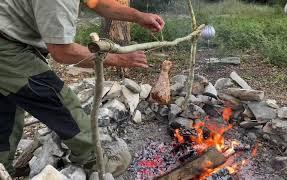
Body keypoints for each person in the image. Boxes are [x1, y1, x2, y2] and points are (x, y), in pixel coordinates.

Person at [0, 0, 164, 176]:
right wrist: (119, 59)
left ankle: (2, 167)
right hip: (7, 46)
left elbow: (97, 2)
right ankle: (95, 160)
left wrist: (138, 16)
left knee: (6, 109)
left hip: (10, 39)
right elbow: (62, 51)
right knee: (59, 100)